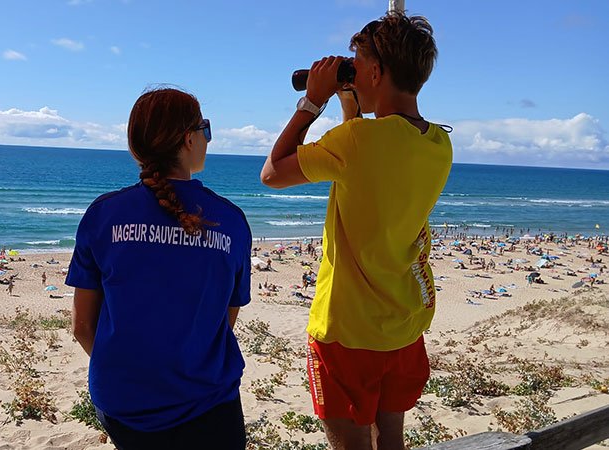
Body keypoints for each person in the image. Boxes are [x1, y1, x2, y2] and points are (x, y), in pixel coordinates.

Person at [260, 13, 451, 450]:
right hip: (403, 321)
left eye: (357, 64)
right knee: (391, 440)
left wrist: (312, 102)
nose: (352, 71)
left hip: (346, 328)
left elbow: (272, 173)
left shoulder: (358, 142)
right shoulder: (439, 143)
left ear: (376, 72)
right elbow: (367, 154)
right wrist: (351, 101)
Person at [66, 88, 250, 449]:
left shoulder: (103, 215)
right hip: (208, 402)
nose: (207, 139)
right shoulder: (230, 222)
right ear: (189, 139)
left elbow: (82, 326)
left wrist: (133, 375)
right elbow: (225, 318)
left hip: (125, 404)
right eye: (206, 129)